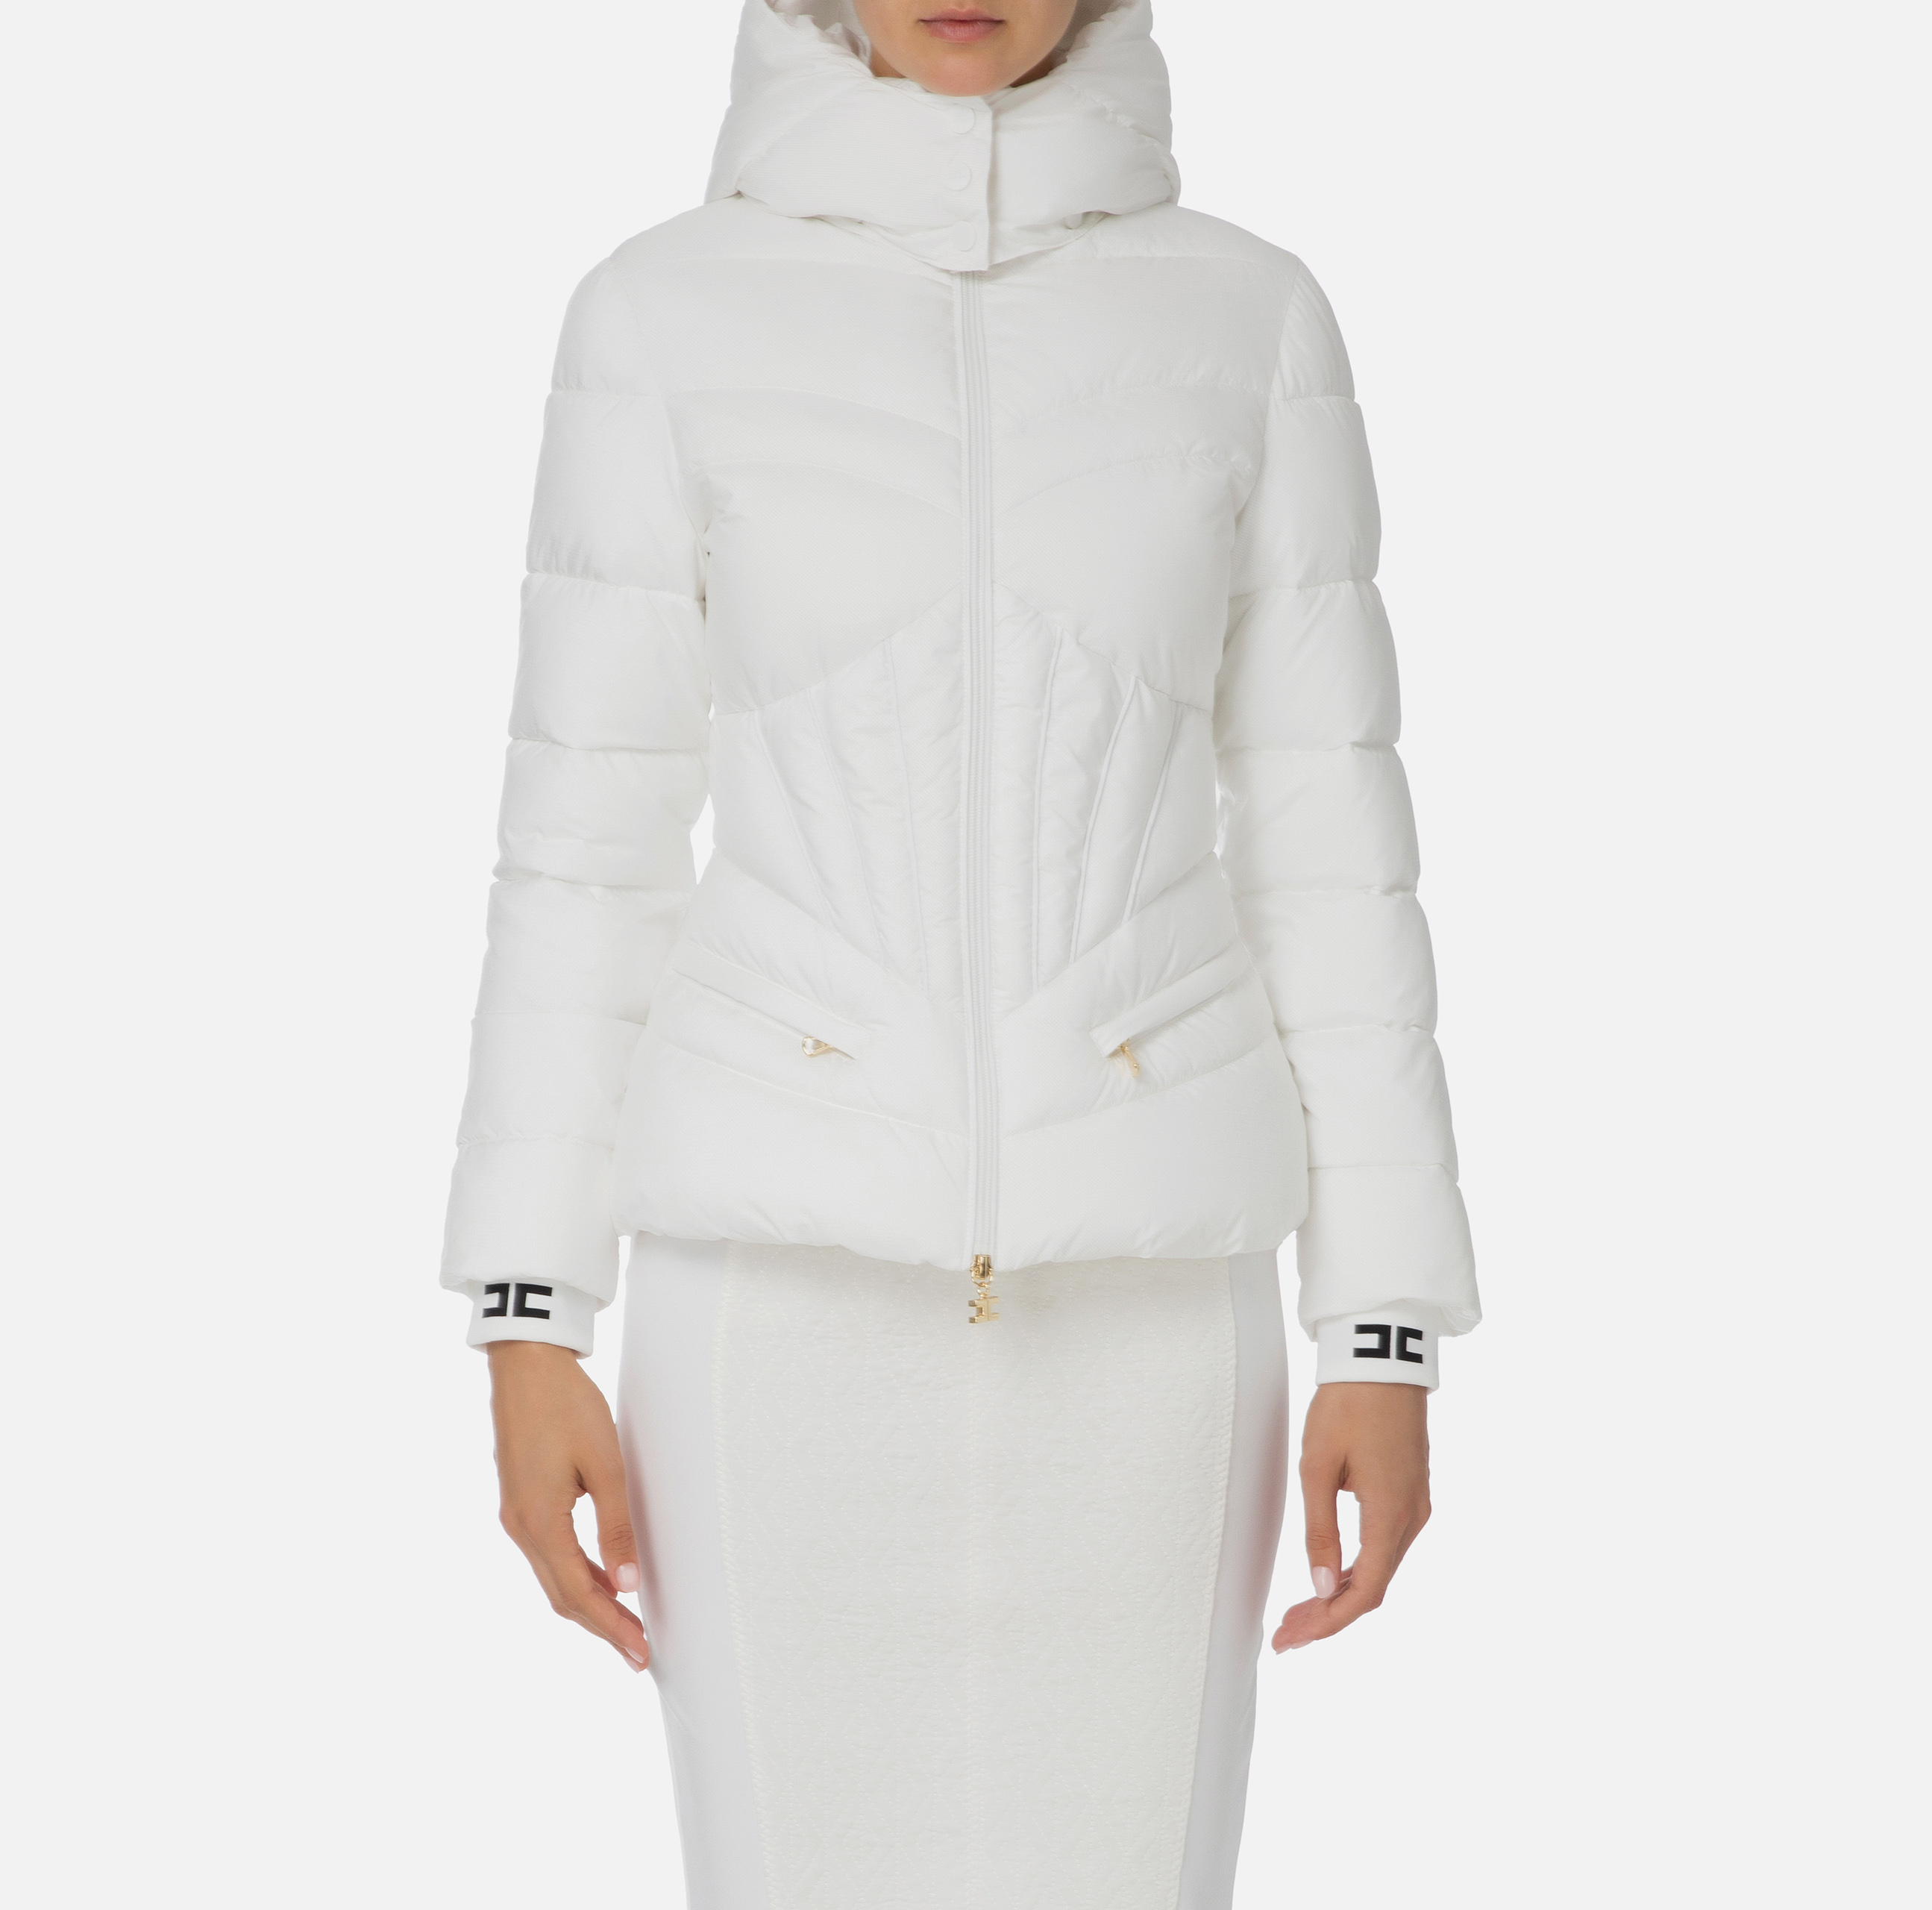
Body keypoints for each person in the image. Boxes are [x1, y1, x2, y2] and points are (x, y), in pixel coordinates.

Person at [442, 3, 1479, 1904]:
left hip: (1150, 1327)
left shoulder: (1247, 319)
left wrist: (1383, 1326)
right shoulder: (659, 316)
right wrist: (527, 1314)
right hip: (770, 1318)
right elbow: (585, 842)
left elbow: (1330, 841)